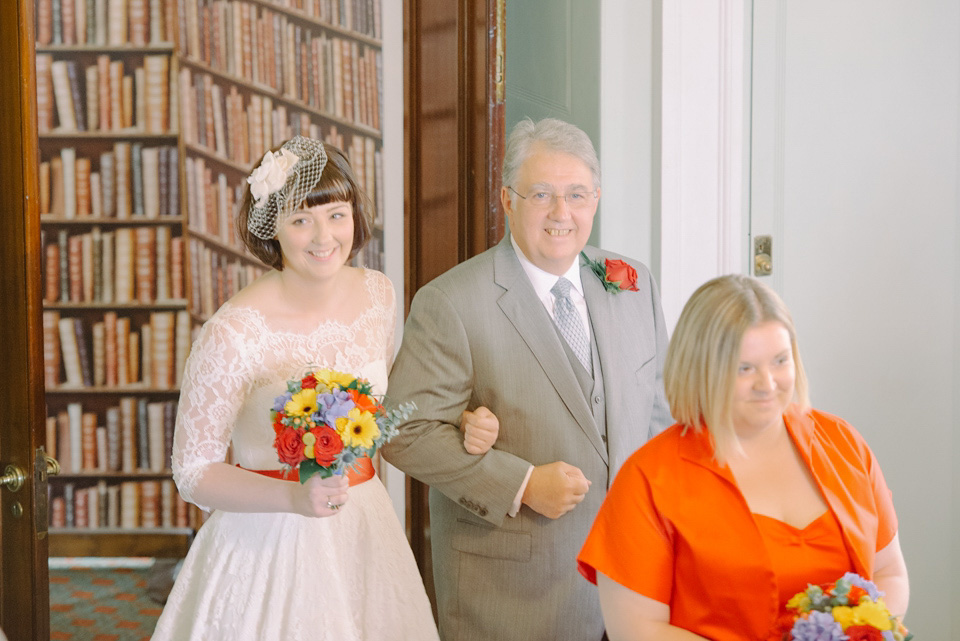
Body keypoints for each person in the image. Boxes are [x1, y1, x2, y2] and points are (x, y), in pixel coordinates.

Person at [381, 117, 673, 641]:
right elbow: (402, 431)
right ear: (508, 200)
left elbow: (661, 420)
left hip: (635, 595)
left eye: (577, 194)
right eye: (542, 194)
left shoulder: (633, 284)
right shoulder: (451, 302)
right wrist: (520, 483)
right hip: (514, 598)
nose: (562, 213)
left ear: (596, 199)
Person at [151, 137, 440, 641]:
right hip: (268, 542)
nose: (323, 236)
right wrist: (291, 497)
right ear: (272, 229)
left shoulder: (379, 294)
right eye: (300, 219)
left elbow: (384, 411)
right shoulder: (233, 331)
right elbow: (193, 472)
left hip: (365, 527)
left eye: (337, 214)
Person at [577, 274, 910, 641]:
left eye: (780, 361)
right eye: (744, 368)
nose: (767, 383)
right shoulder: (647, 479)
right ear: (700, 369)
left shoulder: (844, 443)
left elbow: (889, 572)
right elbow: (636, 629)